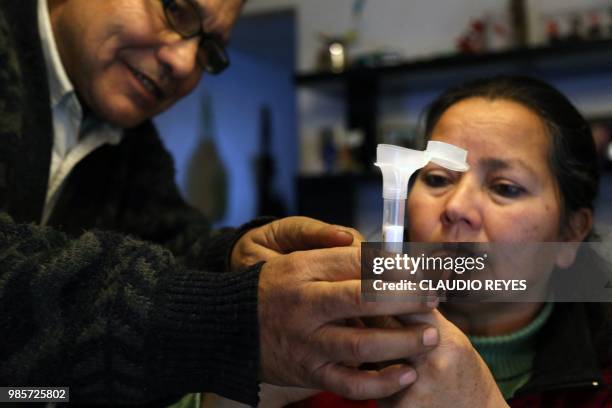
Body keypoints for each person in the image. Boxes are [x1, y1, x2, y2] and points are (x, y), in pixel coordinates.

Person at [0, 0, 441, 406]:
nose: (183, 62)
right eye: (176, 9)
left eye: (210, 49)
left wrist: (233, 257)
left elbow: (167, 240)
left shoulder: (128, 138)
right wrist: (228, 318)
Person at [285, 76, 611, 407]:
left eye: (505, 187)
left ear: (571, 234)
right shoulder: (333, 351)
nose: (456, 208)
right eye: (438, 179)